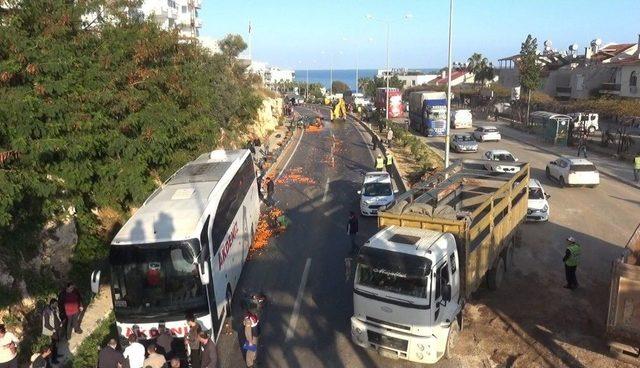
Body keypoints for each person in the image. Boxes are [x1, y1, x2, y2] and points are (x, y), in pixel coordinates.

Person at [41, 299, 61, 364]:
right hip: (52, 331)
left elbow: (57, 316)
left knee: (56, 344)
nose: (57, 306)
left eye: (57, 304)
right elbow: (46, 324)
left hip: (57, 329)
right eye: (55, 304)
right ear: (51, 304)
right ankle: (53, 360)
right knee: (53, 345)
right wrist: (53, 330)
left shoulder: (54, 309)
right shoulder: (47, 312)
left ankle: (56, 355)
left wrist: (60, 323)